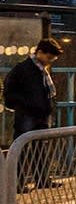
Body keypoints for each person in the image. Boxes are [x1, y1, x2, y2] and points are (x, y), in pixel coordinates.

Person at [3, 37, 64, 189]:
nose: (50, 61)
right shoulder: (23, 69)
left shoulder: (40, 70)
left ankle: (41, 180)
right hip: (27, 114)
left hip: (39, 114)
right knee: (22, 149)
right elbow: (9, 93)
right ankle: (18, 183)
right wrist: (25, 105)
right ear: (40, 53)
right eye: (49, 57)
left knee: (39, 149)